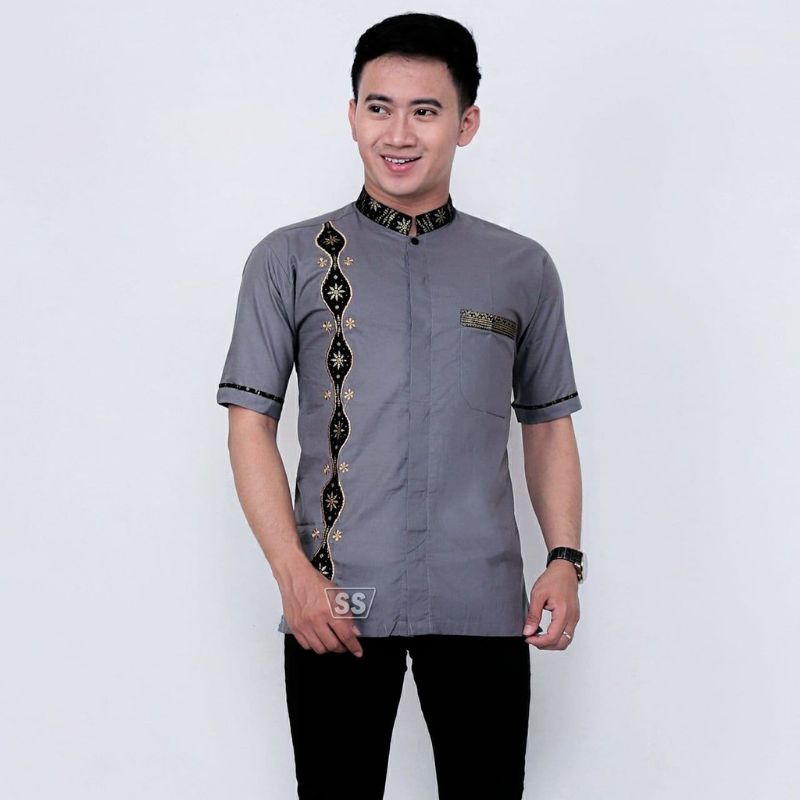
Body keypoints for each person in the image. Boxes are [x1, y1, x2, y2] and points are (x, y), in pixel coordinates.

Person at [216, 12, 586, 800]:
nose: (399, 133)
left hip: (482, 599)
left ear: (466, 123)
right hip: (336, 600)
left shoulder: (521, 268)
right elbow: (250, 426)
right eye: (379, 107)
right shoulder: (288, 259)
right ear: (352, 115)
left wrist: (564, 558)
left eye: (425, 110)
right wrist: (293, 576)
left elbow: (548, 424)